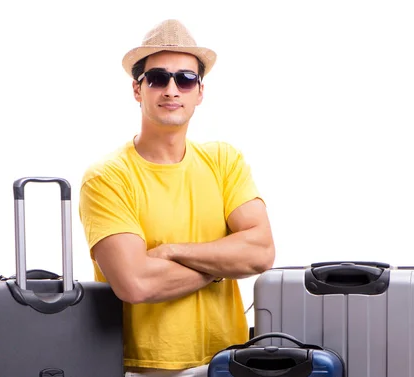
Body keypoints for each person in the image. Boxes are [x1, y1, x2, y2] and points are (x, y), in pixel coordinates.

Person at [79, 19, 275, 377]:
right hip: (143, 369)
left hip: (228, 362)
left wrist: (171, 251)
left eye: (185, 79)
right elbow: (135, 283)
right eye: (158, 78)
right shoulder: (108, 177)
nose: (172, 89)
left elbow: (261, 251)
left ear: (200, 92)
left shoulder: (224, 161)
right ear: (137, 90)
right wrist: (221, 264)